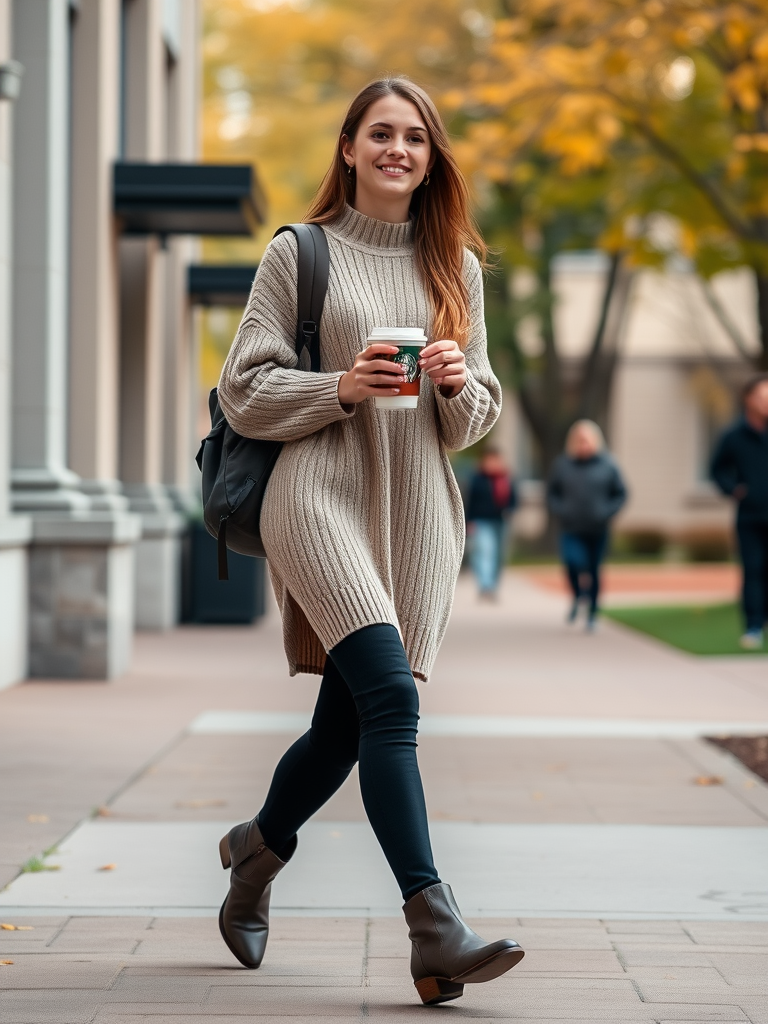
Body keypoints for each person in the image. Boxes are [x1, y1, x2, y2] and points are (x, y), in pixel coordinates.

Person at [215, 77, 524, 1006]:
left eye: (416, 138)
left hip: (416, 513)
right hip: (317, 495)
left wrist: (457, 378)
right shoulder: (297, 253)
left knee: (347, 724)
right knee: (391, 700)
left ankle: (255, 852)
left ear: (432, 158)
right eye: (380, 133)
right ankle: (435, 927)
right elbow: (244, 389)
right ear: (348, 148)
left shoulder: (454, 266)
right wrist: (340, 388)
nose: (399, 149)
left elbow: (471, 423)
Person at [546, 420, 627, 631]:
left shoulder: (608, 465)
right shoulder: (563, 465)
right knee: (573, 563)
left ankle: (592, 612)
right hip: (571, 527)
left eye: (587, 441)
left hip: (597, 528)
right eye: (579, 441)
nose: (583, 445)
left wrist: (607, 512)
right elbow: (552, 493)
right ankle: (578, 596)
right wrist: (561, 510)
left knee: (593, 569)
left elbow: (621, 493)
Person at [711, 373, 768, 649]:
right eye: (761, 396)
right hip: (749, 517)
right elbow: (717, 470)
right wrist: (733, 489)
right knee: (753, 570)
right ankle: (753, 626)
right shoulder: (734, 436)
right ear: (748, 399)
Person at [465, 447, 517, 600]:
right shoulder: (477, 479)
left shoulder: (506, 479)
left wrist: (510, 510)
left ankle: (493, 585)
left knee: (499, 555)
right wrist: (469, 521)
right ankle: (485, 586)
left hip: (501, 521)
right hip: (481, 521)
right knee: (485, 551)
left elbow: (513, 500)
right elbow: (470, 502)